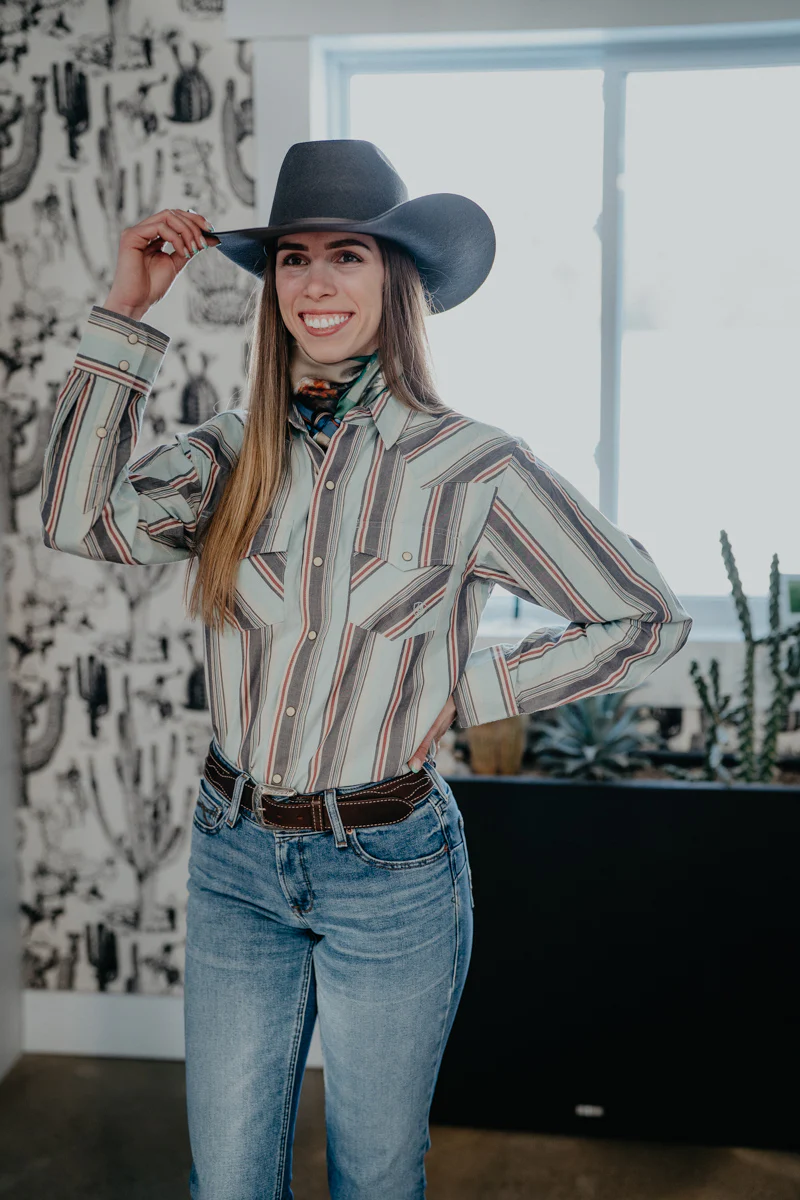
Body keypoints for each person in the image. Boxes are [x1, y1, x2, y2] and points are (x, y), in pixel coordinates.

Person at [39, 139, 693, 1200]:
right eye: (293, 259)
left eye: (345, 255)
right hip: (233, 856)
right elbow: (77, 520)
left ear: (395, 281)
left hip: (389, 869)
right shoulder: (228, 450)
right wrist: (129, 308)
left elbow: (640, 616)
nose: (314, 283)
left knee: (377, 1176)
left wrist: (459, 695)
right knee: (227, 1182)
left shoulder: (471, 466)